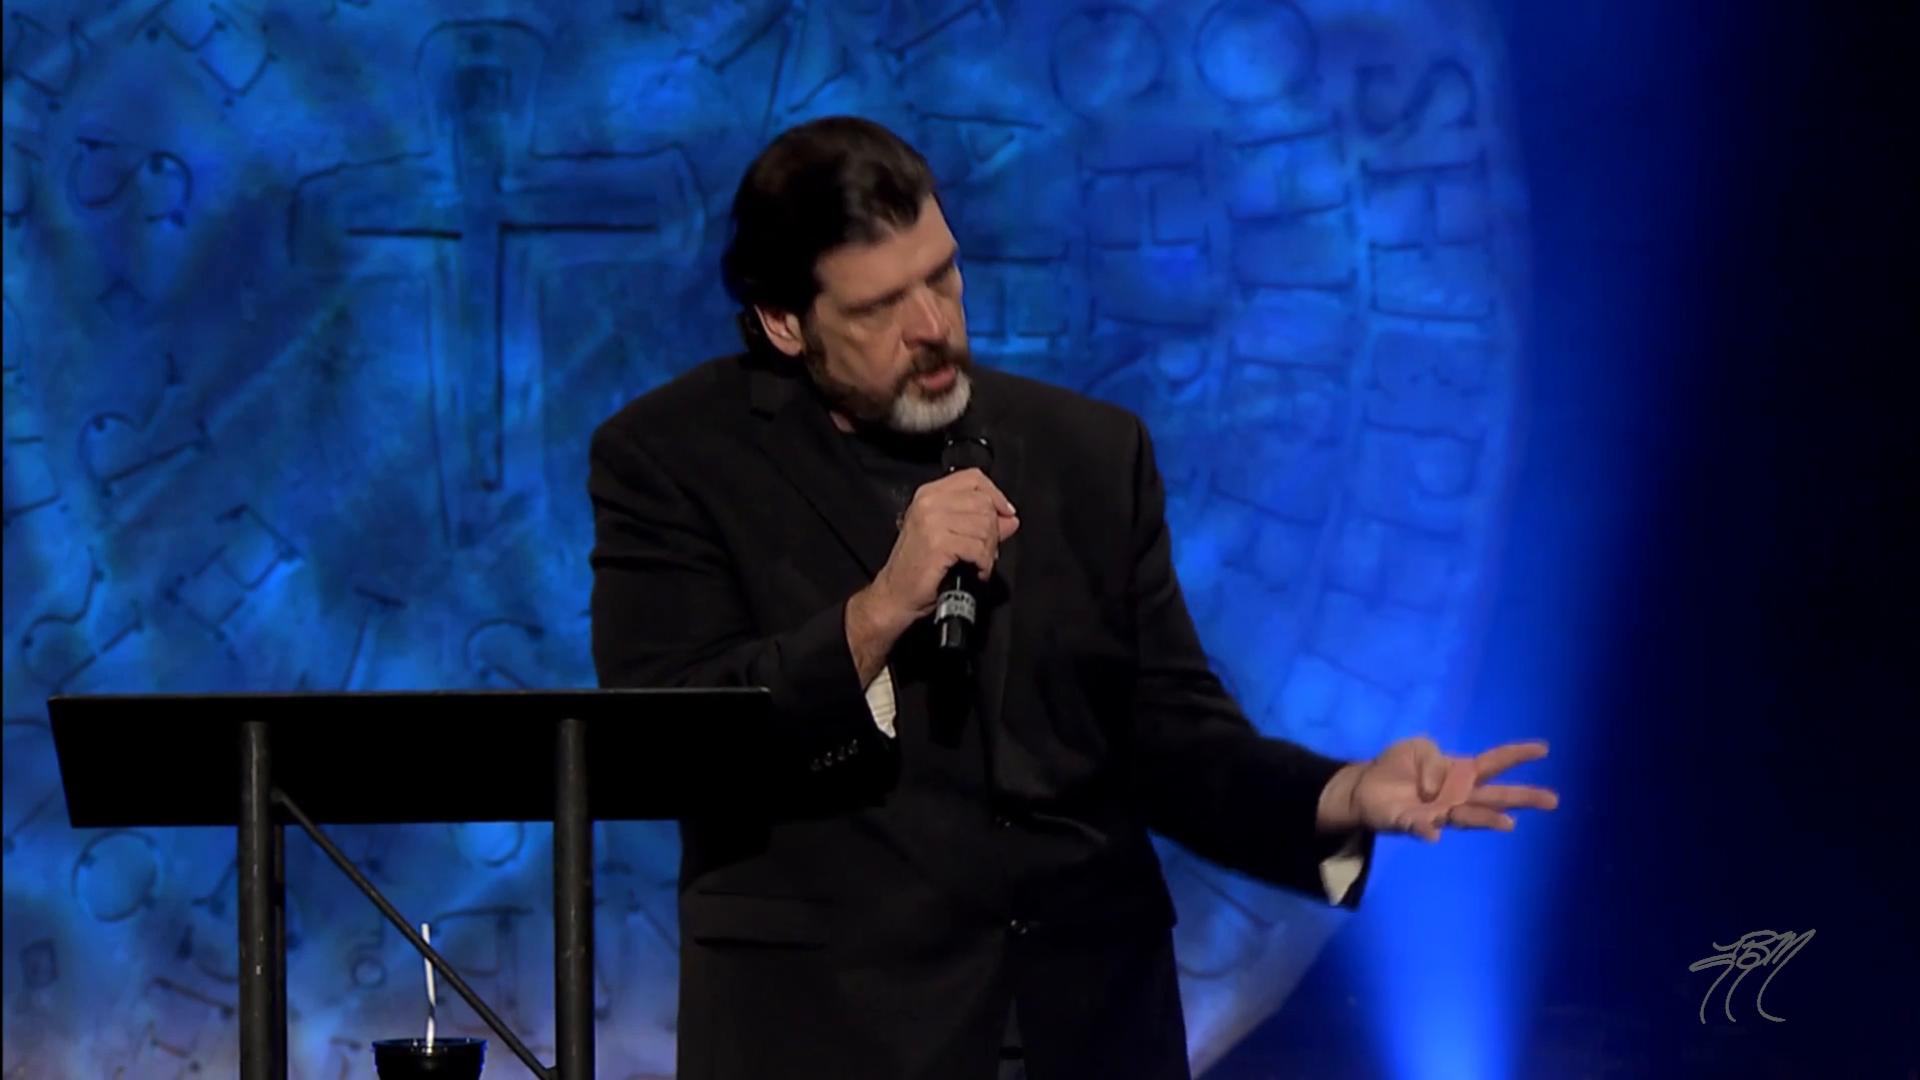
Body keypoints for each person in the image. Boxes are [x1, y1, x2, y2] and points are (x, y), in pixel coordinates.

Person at [586, 116, 1558, 1080]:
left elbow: (1170, 736)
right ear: (784, 322)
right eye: (880, 306)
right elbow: (670, 743)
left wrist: (1338, 795)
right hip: (833, 1035)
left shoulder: (1088, 453)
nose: (933, 326)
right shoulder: (672, 461)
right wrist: (879, 611)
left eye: (942, 276)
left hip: (1090, 1028)